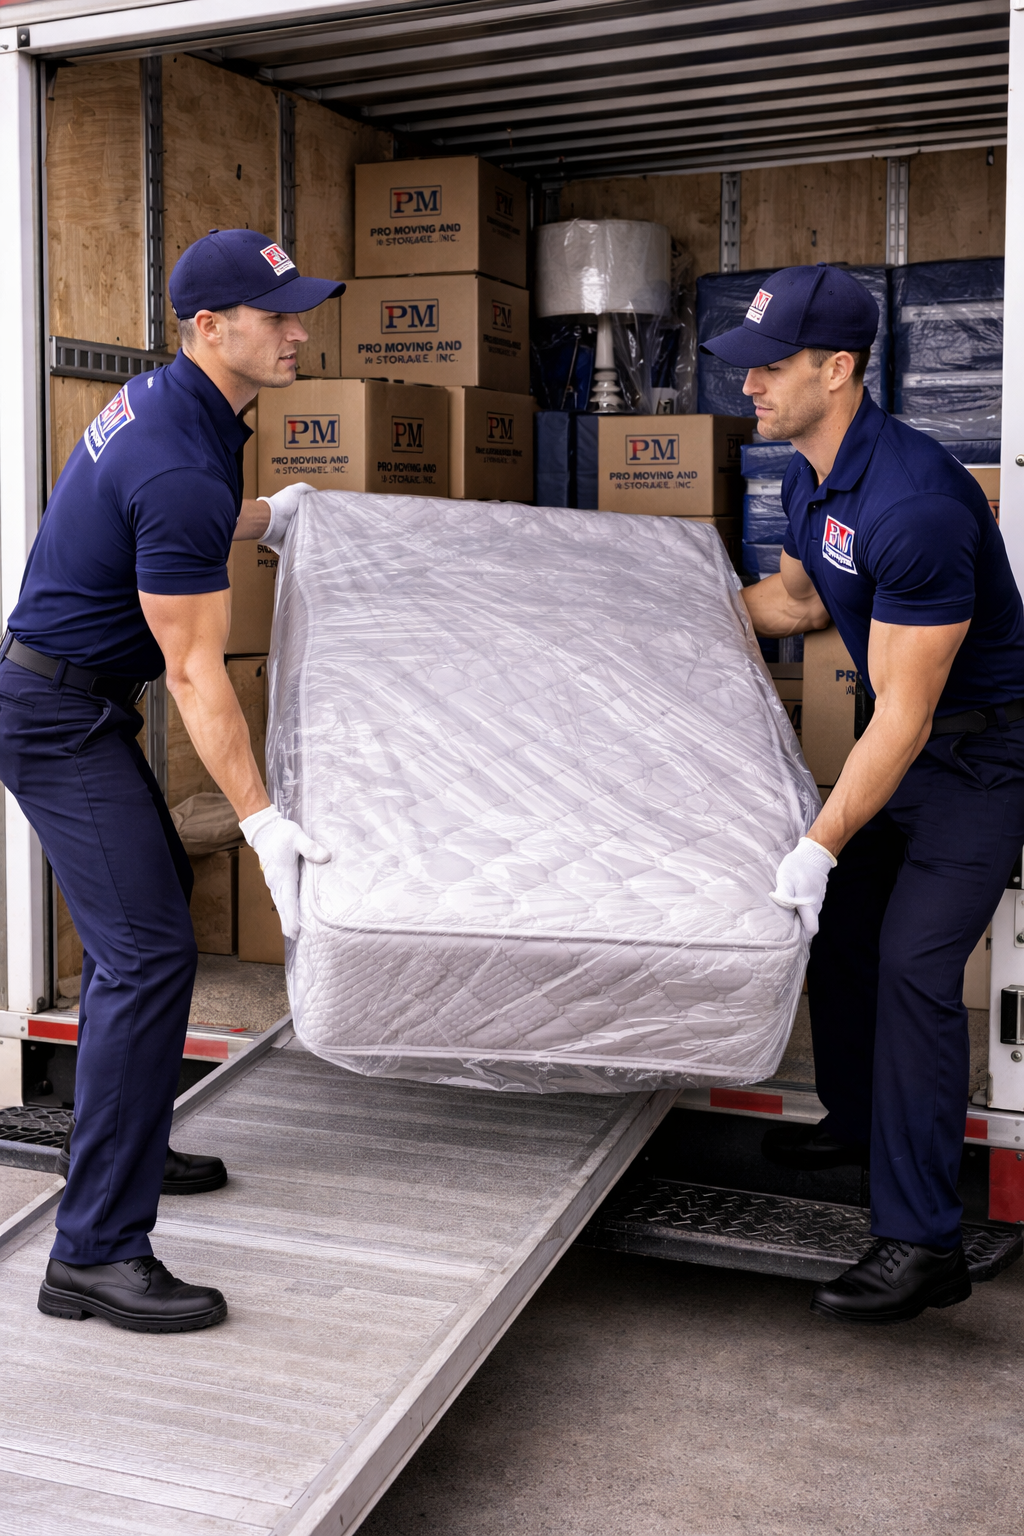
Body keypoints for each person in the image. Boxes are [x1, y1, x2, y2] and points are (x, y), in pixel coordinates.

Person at [0, 229, 337, 1333]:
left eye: (299, 310)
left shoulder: (171, 405)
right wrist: (266, 823)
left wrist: (267, 514)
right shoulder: (181, 455)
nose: (299, 330)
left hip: (74, 697)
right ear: (208, 327)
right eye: (276, 315)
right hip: (55, 718)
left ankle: (130, 1137)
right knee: (150, 955)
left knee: (140, 937)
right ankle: (92, 1254)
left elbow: (161, 529)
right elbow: (197, 675)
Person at [702, 264, 1024, 1323]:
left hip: (981, 758)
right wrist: (663, 604)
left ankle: (920, 1242)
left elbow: (903, 712)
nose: (747, 386)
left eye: (768, 368)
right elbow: (794, 602)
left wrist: (820, 838)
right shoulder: (809, 473)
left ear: (837, 370)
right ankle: (857, 1122)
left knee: (912, 971)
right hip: (914, 748)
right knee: (839, 935)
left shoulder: (917, 503)